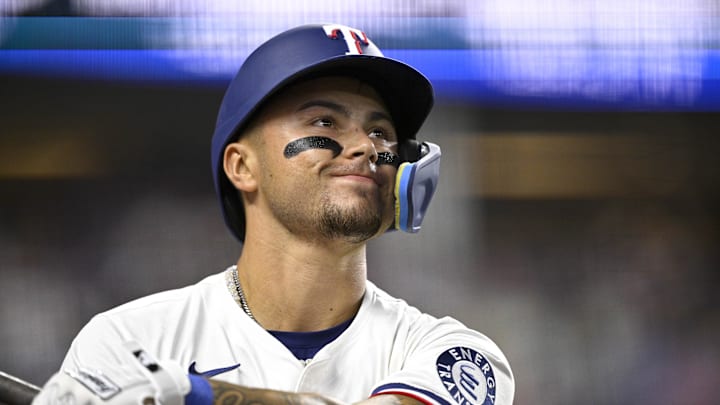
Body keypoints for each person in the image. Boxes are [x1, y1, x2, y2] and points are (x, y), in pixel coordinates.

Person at [32, 24, 514, 405]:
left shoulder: (455, 353)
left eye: (382, 132)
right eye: (324, 121)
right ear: (243, 166)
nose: (367, 146)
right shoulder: (128, 339)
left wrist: (195, 394)